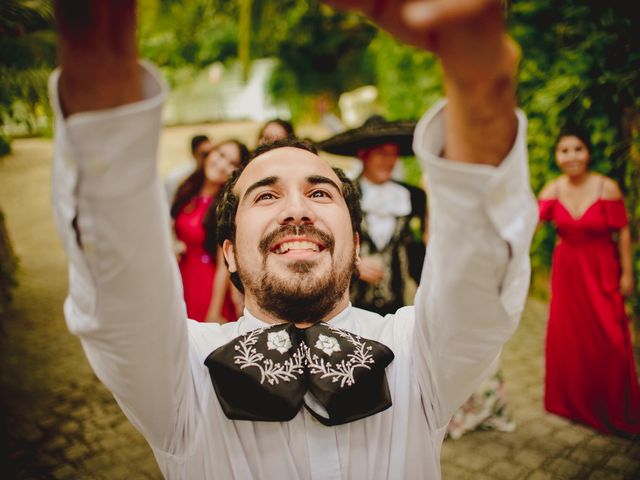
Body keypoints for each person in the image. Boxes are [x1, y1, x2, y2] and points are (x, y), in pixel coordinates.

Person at [52, 0, 537, 477]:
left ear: (354, 237)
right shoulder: (182, 375)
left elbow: (480, 263)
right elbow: (115, 267)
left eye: (320, 192)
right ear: (229, 253)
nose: (297, 210)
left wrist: (479, 72)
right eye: (265, 197)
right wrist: (99, 36)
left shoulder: (418, 355)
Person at [538, 124, 639, 436]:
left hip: (601, 269)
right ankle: (573, 403)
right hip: (568, 273)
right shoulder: (552, 190)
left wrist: (626, 272)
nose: (571, 156)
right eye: (565, 150)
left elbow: (622, 231)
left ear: (588, 153)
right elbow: (525, 225)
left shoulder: (605, 187)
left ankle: (613, 407)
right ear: (557, 156)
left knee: (611, 337)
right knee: (571, 337)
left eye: (577, 149)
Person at [318, 115, 427, 315]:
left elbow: (415, 246)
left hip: (397, 306)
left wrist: (425, 284)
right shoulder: (342, 196)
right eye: (382, 153)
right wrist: (353, 264)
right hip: (350, 307)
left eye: (393, 154)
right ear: (363, 154)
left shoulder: (412, 197)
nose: (390, 161)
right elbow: (325, 247)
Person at [171, 140, 249, 322]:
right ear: (211, 153)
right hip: (182, 277)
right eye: (221, 155)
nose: (221, 165)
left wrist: (213, 311)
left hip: (207, 284)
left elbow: (223, 263)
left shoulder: (225, 207)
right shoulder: (188, 189)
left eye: (231, 163)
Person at [164, 134, 213, 206]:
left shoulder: (213, 176)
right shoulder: (175, 178)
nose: (209, 158)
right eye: (205, 154)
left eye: (211, 153)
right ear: (194, 154)